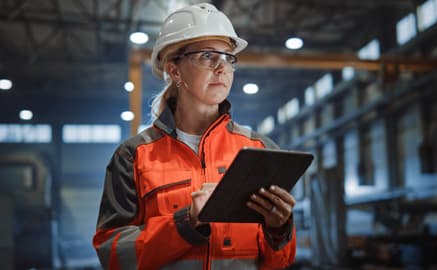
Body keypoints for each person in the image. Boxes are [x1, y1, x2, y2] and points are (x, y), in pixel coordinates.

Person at [92, 3, 296, 269]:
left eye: (228, 57)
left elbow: (279, 263)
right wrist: (186, 222)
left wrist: (279, 229)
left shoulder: (261, 150)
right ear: (174, 70)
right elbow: (113, 255)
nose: (222, 67)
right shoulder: (134, 156)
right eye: (208, 56)